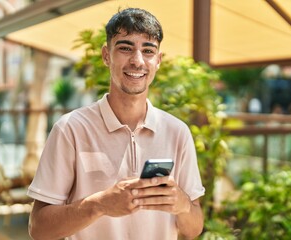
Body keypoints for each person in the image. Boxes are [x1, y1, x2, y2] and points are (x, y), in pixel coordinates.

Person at [27, 8, 205, 240]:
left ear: (158, 61)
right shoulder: (70, 129)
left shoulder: (177, 131)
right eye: (125, 48)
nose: (137, 60)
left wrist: (183, 205)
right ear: (106, 55)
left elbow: (194, 228)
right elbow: (39, 229)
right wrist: (99, 205)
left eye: (148, 50)